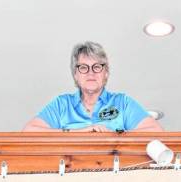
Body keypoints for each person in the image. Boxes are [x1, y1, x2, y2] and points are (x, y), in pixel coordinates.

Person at [23, 41, 163, 132]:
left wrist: (115, 135)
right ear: (75, 74)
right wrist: (78, 132)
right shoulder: (62, 104)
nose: (90, 72)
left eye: (97, 67)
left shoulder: (122, 102)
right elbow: (28, 131)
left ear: (106, 73)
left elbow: (156, 131)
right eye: (83, 67)